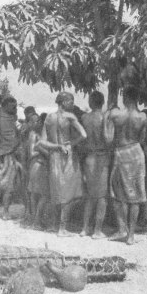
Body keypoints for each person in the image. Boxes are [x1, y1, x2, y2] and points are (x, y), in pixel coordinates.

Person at [38, 92, 87, 237]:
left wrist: (57, 147)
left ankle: (55, 224)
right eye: (71, 101)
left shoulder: (49, 117)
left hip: (54, 155)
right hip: (67, 155)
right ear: (63, 102)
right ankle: (62, 228)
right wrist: (71, 143)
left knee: (58, 190)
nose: (73, 103)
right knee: (71, 191)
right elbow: (84, 135)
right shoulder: (70, 116)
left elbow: (42, 141)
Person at [104, 86, 147, 245]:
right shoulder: (142, 117)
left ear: (124, 97)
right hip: (136, 152)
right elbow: (142, 139)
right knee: (135, 196)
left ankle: (122, 228)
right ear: (137, 98)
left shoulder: (115, 114)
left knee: (116, 193)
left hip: (121, 152)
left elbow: (108, 139)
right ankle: (131, 236)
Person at [80, 91, 109, 239]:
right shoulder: (104, 117)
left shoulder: (84, 118)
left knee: (90, 196)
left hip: (89, 157)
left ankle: (85, 228)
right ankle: (97, 230)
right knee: (101, 197)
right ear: (102, 102)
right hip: (102, 156)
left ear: (91, 102)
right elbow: (108, 139)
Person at [26, 113, 50, 229]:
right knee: (44, 194)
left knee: (35, 194)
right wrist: (45, 152)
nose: (38, 123)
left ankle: (36, 220)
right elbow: (31, 152)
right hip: (38, 164)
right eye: (35, 121)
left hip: (36, 165)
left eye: (39, 121)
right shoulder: (33, 135)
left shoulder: (38, 134)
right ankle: (36, 221)